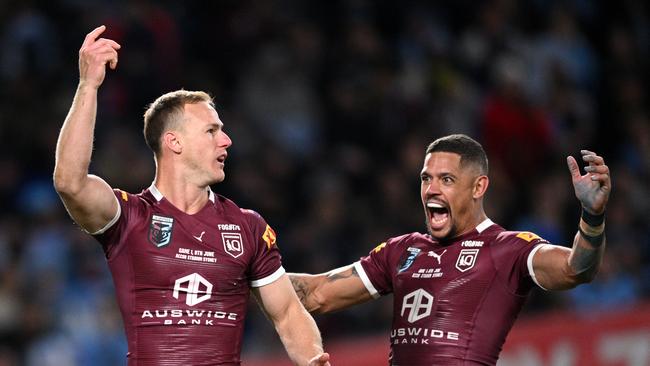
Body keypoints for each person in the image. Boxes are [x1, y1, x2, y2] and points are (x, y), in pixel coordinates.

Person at [53, 26, 330, 366]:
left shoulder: (247, 227)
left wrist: (314, 359)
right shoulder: (129, 218)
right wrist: (89, 85)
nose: (226, 140)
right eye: (212, 130)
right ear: (174, 142)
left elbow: (287, 313)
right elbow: (69, 182)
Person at [289, 134, 610, 365]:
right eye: (426, 178)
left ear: (478, 187)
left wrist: (592, 216)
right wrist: (250, 265)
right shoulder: (401, 251)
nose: (431, 189)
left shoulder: (508, 249)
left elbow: (576, 268)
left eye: (446, 179)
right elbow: (316, 294)